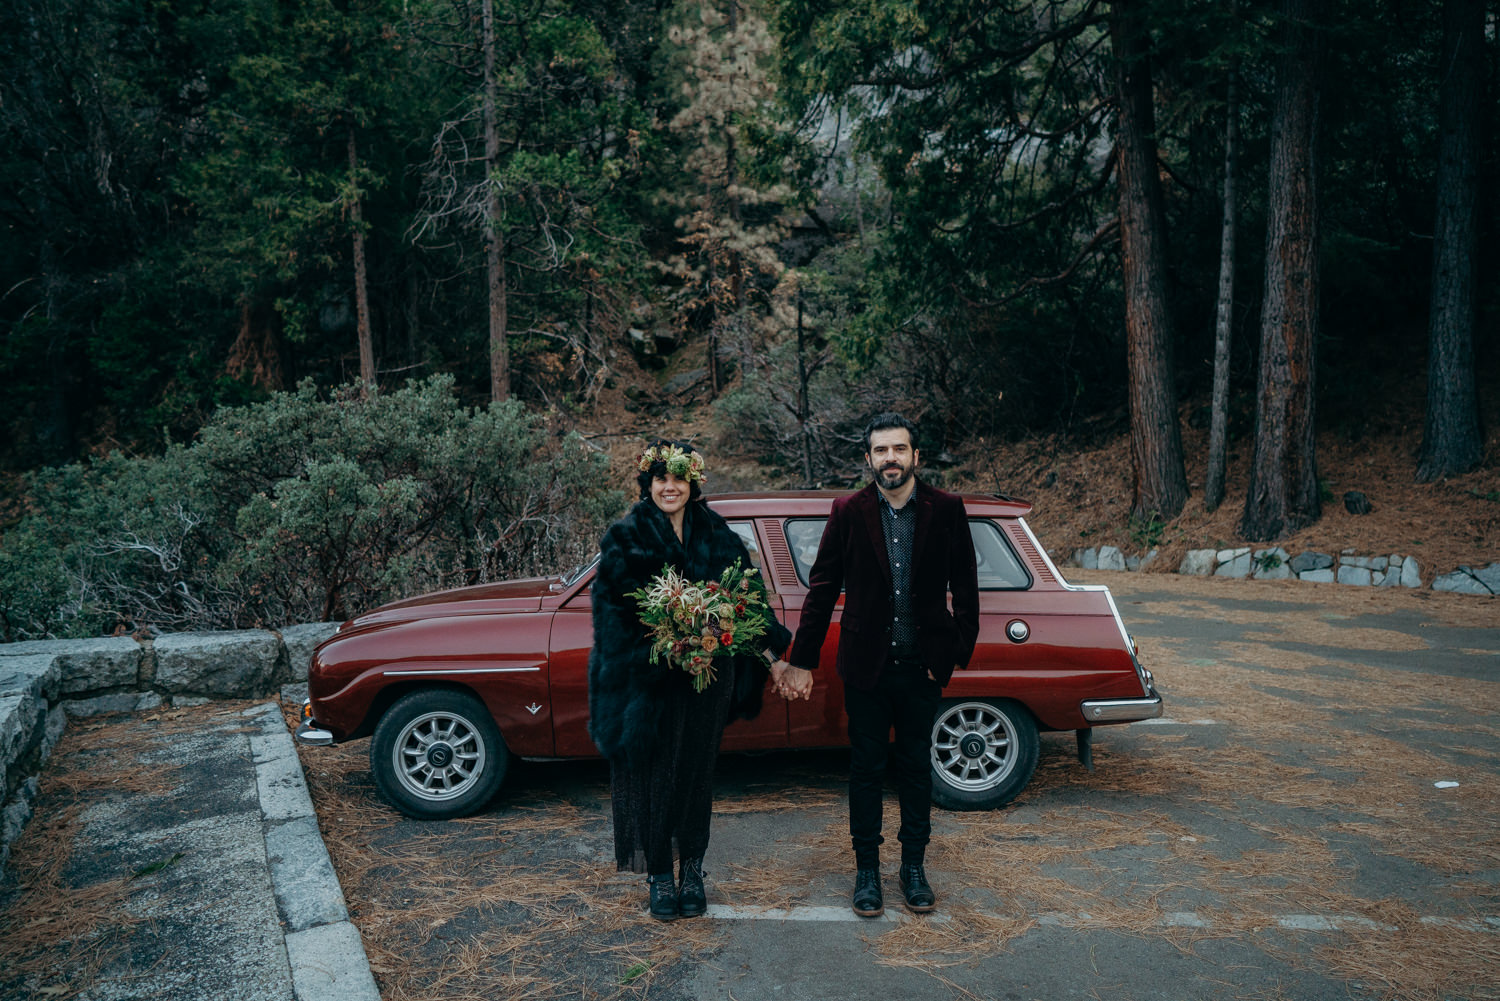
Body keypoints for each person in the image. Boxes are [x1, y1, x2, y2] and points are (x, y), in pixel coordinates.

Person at [775, 413, 979, 917]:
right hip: (865, 669)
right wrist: (800, 660)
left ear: (916, 456)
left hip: (921, 668)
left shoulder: (947, 509)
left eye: (899, 449)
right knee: (865, 771)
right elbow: (821, 590)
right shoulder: (847, 511)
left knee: (914, 768)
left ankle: (913, 868)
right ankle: (867, 871)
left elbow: (967, 588)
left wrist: (952, 655)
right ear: (868, 459)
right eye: (881, 450)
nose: (891, 458)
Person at [588, 439, 793, 921]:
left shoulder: (716, 533)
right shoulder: (627, 536)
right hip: (649, 681)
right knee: (652, 773)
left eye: (679, 478)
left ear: (692, 483)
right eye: (661, 478)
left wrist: (769, 655)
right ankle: (660, 874)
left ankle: (693, 870)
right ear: (649, 484)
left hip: (707, 676)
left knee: (695, 773)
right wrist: (663, 633)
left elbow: (749, 600)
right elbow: (610, 611)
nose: (670, 487)